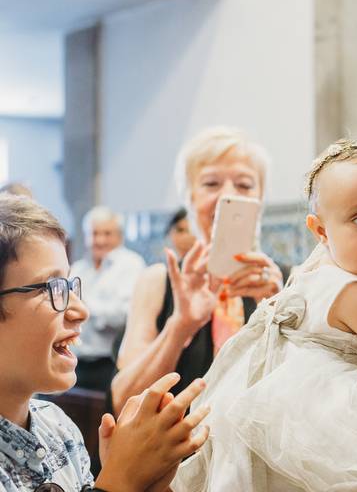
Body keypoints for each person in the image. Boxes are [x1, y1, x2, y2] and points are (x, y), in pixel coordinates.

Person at [172, 138, 357, 491]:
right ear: (321, 230)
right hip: (320, 420)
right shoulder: (356, 295)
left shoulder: (317, 270)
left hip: (279, 415)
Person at [0, 193, 209, 491]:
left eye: (71, 286)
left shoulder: (59, 428)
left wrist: (145, 481)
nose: (81, 310)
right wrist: (120, 480)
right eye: (52, 288)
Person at [111, 127, 284, 412]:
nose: (227, 195)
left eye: (244, 185)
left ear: (261, 199)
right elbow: (123, 399)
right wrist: (181, 325)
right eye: (211, 184)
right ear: (189, 197)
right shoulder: (158, 282)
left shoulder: (288, 283)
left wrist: (278, 313)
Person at [70, 206, 146, 392]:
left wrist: (85, 307)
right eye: (94, 233)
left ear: (119, 236)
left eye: (107, 233)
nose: (100, 240)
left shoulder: (131, 265)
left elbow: (125, 316)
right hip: (78, 365)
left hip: (112, 364)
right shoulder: (78, 269)